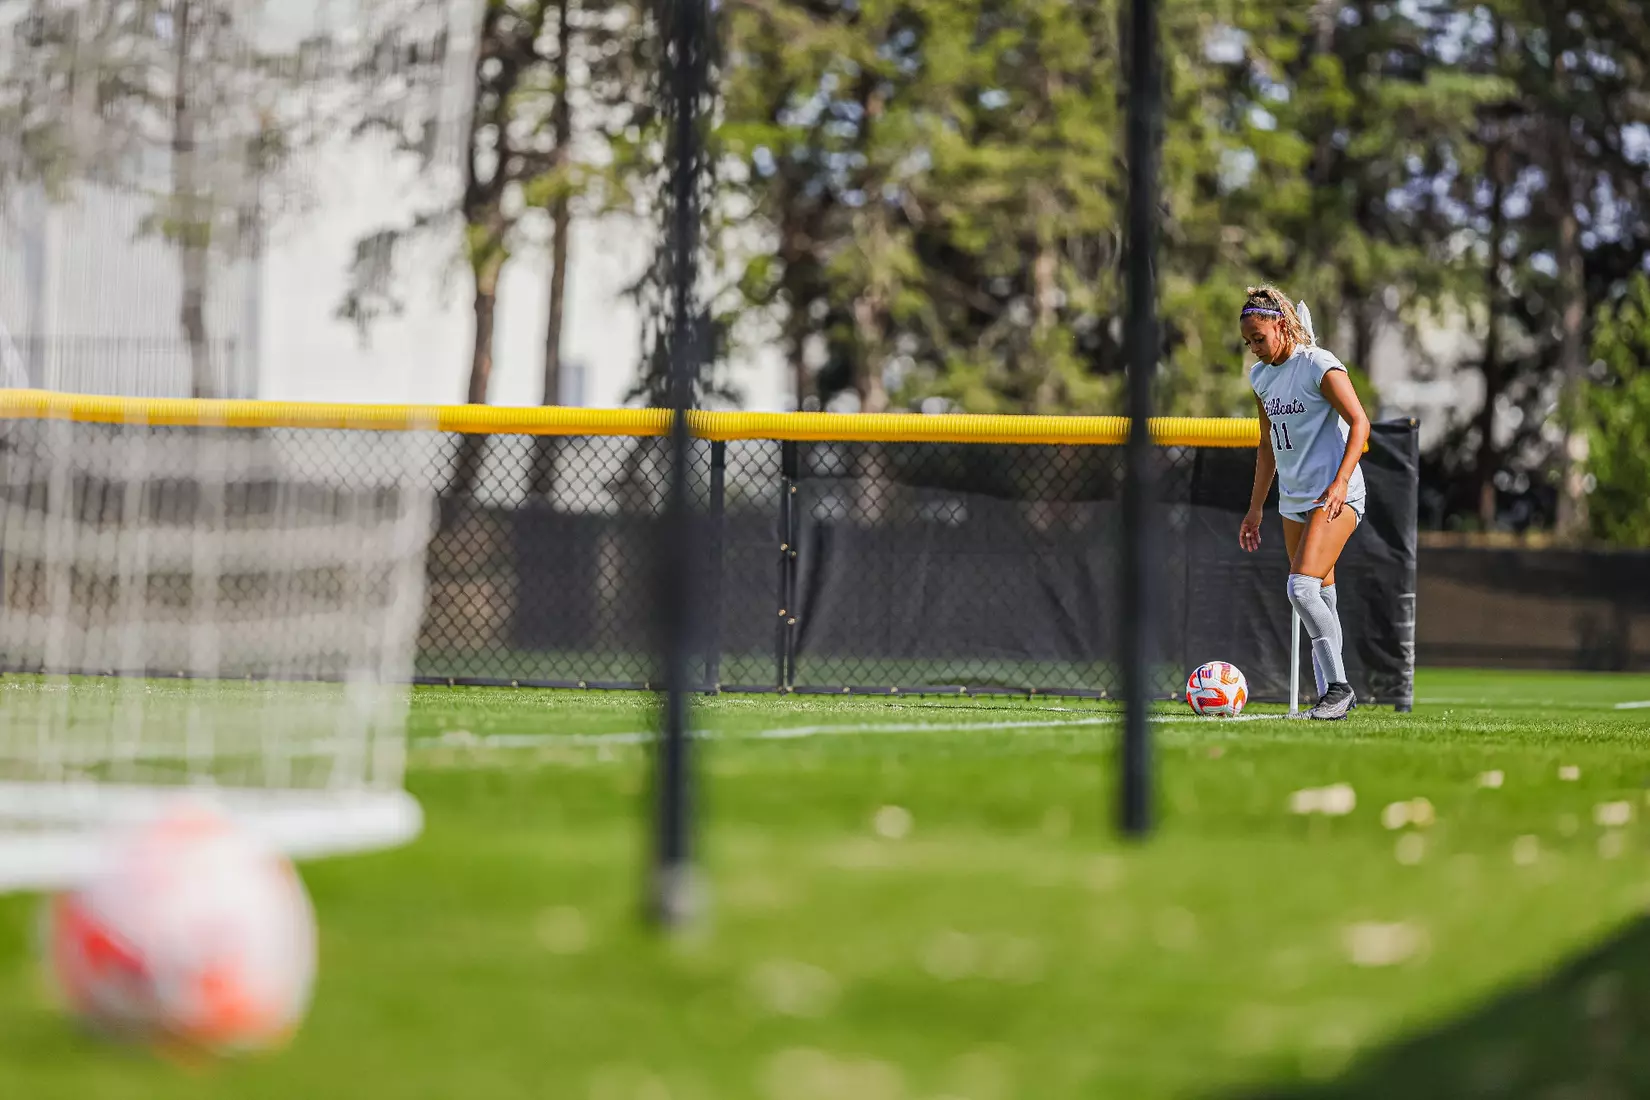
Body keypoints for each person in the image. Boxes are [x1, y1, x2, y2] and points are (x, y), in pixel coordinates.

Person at [1236, 285, 1370, 720]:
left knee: (1300, 588)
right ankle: (1333, 700)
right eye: (1248, 341)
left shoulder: (1319, 364)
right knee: (1322, 596)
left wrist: (1340, 482)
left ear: (1281, 324)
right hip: (1293, 500)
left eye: (1259, 336)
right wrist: (1256, 508)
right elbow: (1267, 445)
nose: (1254, 348)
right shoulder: (1260, 377)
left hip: (1336, 495)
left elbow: (1360, 423)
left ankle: (1339, 688)